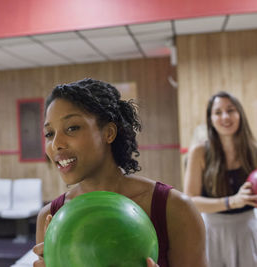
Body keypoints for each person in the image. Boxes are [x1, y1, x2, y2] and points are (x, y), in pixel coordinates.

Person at [33, 78, 207, 267]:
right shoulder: (50, 216)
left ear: (109, 133)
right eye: (49, 133)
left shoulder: (174, 209)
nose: (56, 143)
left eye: (72, 128)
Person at [184, 91, 257, 267]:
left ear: (240, 114)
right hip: (212, 232)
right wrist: (232, 201)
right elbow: (192, 201)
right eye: (218, 112)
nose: (225, 116)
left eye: (230, 110)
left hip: (247, 230)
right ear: (211, 119)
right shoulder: (199, 152)